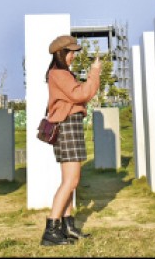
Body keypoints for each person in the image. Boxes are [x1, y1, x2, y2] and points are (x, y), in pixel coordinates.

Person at [40, 35, 102, 246]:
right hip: (67, 127)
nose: (74, 56)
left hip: (69, 126)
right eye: (71, 52)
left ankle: (67, 226)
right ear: (61, 53)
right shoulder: (59, 74)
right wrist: (95, 73)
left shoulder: (61, 73)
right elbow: (81, 94)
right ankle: (51, 229)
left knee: (70, 180)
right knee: (71, 181)